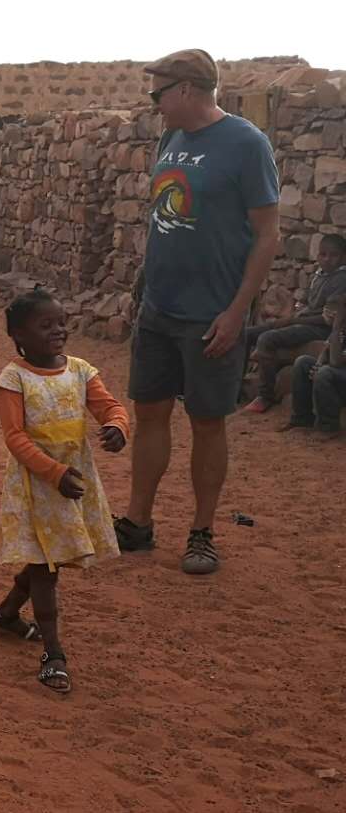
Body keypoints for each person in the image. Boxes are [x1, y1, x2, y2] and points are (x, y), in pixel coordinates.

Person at [117, 49, 280, 575]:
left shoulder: (246, 144)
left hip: (211, 313)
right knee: (150, 413)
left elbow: (267, 234)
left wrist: (237, 312)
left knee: (207, 422)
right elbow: (163, 217)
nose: (154, 104)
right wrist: (143, 281)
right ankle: (137, 522)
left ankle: (202, 532)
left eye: (158, 93)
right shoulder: (172, 139)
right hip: (159, 307)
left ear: (187, 89)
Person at [0, 288, 129, 694]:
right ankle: (54, 653)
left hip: (74, 481)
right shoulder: (13, 378)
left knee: (43, 560)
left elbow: (110, 407)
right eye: (45, 325)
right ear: (19, 334)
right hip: (36, 486)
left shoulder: (81, 370)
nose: (58, 331)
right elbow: (14, 437)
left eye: (61, 323)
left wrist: (118, 427)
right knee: (45, 568)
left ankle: (5, 613)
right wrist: (53, 472)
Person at [244, 234, 346, 412]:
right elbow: (307, 302)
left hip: (319, 329)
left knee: (267, 339)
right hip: (304, 321)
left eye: (333, 255)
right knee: (245, 334)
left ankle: (265, 396)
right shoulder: (318, 274)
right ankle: (235, 386)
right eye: (323, 254)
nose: (327, 260)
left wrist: (292, 320)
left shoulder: (341, 279)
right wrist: (295, 314)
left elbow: (327, 319)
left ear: (343, 256)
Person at [283, 293, 346, 438]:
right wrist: (318, 364)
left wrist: (336, 327)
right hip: (339, 375)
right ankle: (302, 419)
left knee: (325, 373)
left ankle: (329, 426)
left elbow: (336, 361)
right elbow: (326, 351)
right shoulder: (342, 330)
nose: (333, 314)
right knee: (303, 362)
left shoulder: (339, 328)